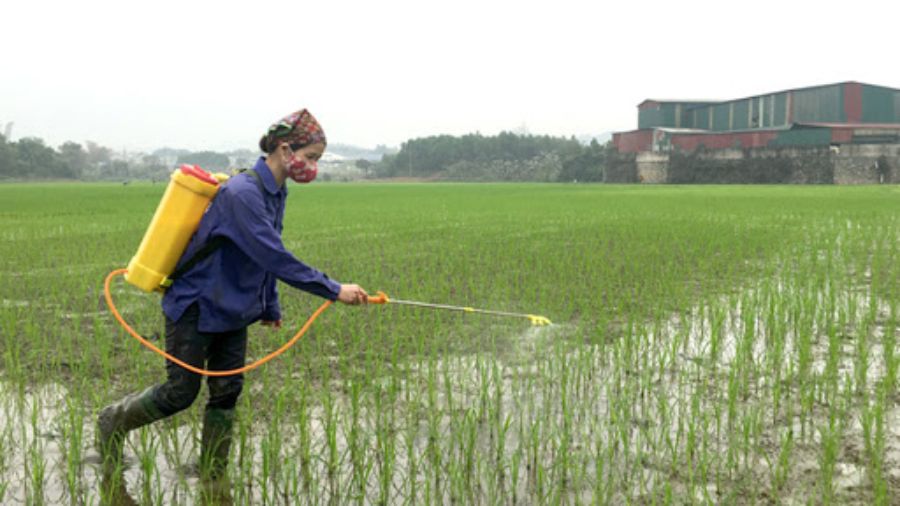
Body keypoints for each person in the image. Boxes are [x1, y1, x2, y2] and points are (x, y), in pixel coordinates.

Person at [96, 109, 368, 497]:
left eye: (317, 160)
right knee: (180, 393)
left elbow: (262, 254)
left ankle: (212, 472)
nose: (312, 167)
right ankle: (112, 421)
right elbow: (273, 254)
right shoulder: (242, 193)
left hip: (234, 308)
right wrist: (333, 288)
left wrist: (269, 305)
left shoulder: (276, 192)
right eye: (309, 157)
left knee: (227, 391)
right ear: (283, 147)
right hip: (197, 304)